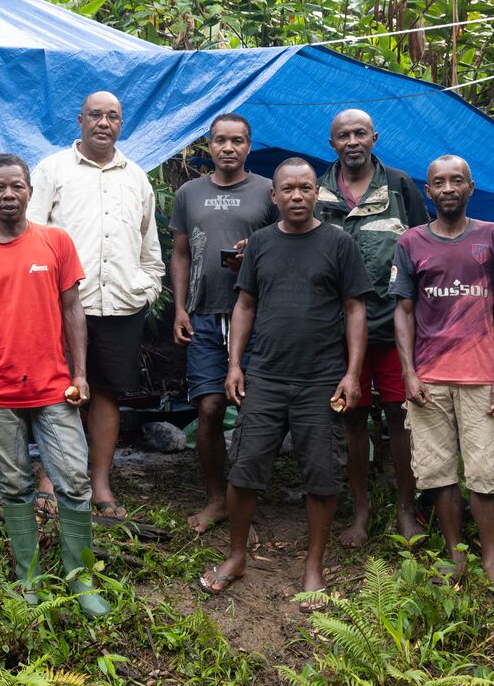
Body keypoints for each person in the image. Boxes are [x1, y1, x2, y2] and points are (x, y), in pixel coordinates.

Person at [197, 158, 371, 611]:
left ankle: (313, 566)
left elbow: (356, 309)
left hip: (321, 379)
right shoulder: (259, 244)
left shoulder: (338, 243)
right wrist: (235, 364)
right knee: (245, 468)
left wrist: (352, 373)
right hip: (267, 377)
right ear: (273, 196)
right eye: (288, 188)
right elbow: (245, 305)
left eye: (306, 188)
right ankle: (237, 556)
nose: (297, 195)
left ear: (318, 194)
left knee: (322, 473)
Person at [0, 153, 110, 618]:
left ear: (31, 192)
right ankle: (29, 578)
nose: (9, 194)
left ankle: (82, 581)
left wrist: (79, 374)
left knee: (74, 482)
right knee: (14, 483)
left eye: (17, 186)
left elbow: (74, 310)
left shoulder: (55, 242)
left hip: (54, 386)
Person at [390, 154, 494, 613]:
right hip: (429, 378)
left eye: (457, 180)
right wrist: (408, 373)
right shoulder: (410, 243)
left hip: (481, 377)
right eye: (438, 182)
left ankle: (491, 561)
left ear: (471, 188)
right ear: (427, 192)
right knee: (438, 472)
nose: (447, 188)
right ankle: (455, 555)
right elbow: (403, 312)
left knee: (485, 474)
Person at [29, 91, 165, 519]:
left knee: (107, 392)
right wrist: (39, 291)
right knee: (60, 392)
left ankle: (100, 484)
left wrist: (149, 286)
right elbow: (31, 237)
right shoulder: (52, 170)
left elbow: (150, 246)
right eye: (95, 115)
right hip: (64, 304)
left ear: (121, 124)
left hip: (122, 304)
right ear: (80, 119)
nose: (103, 122)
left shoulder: (137, 178)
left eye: (113, 116)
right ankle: (50, 479)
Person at [315, 108, 430, 548]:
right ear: (333, 144)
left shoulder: (400, 186)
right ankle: (360, 511)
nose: (352, 141)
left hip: (393, 323)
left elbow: (425, 247)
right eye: (343, 135)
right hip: (337, 330)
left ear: (375, 137)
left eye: (360, 133)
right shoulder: (318, 189)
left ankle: (405, 508)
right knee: (353, 417)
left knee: (402, 415)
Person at [170, 112, 278, 534]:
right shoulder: (189, 193)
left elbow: (288, 240)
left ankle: (246, 497)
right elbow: (179, 253)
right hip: (203, 313)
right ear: (209, 146)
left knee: (254, 410)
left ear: (249, 146)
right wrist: (179, 307)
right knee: (210, 407)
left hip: (256, 316)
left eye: (237, 140)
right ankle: (216, 499)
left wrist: (256, 250)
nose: (228, 147)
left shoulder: (269, 192)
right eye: (220, 140)